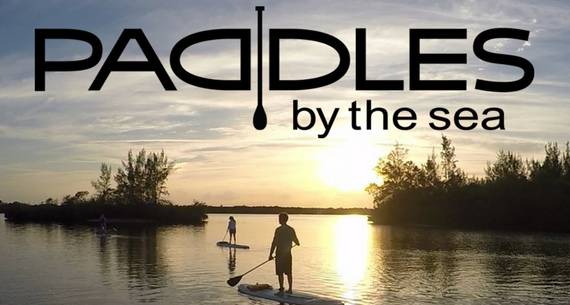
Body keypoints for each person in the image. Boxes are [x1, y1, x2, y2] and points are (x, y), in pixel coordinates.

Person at [268, 212, 300, 296]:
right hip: (288, 254)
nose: (278, 220)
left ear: (282, 220)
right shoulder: (291, 229)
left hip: (280, 254)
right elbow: (297, 241)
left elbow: (274, 243)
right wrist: (296, 243)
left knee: (280, 272)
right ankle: (290, 289)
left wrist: (270, 254)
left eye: (279, 219)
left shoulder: (278, 230)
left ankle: (281, 289)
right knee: (289, 272)